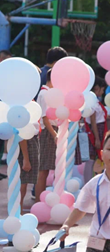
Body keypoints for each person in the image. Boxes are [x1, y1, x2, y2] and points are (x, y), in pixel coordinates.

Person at [35, 70, 58, 203]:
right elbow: (45, 118)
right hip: (47, 133)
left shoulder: (50, 93)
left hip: (51, 131)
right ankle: (39, 201)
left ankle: (41, 199)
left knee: (48, 169)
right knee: (43, 169)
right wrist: (54, 135)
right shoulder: (44, 93)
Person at [83, 78, 109, 183]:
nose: (102, 92)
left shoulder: (96, 101)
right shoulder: (92, 101)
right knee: (91, 157)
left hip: (100, 130)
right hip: (95, 132)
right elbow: (93, 121)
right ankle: (88, 182)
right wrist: (97, 138)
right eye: (102, 90)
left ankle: (92, 180)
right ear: (97, 88)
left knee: (95, 157)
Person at [18, 125, 40, 213]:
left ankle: (19, 209)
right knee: (23, 180)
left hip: (33, 140)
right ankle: (18, 210)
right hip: (27, 144)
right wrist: (26, 159)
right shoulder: (25, 116)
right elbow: (22, 135)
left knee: (24, 181)